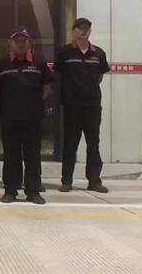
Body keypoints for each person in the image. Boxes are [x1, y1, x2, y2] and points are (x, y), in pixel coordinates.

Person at [0, 27, 54, 205]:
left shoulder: (39, 63)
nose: (20, 44)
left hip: (33, 118)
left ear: (29, 43)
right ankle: (10, 191)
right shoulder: (3, 63)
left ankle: (33, 191)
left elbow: (47, 86)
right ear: (10, 43)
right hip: (10, 118)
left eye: (23, 40)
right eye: (17, 40)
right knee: (10, 155)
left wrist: (35, 102)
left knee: (33, 155)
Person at [54, 17, 111, 193]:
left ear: (90, 31)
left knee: (93, 144)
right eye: (80, 28)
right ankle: (66, 181)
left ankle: (94, 181)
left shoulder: (99, 53)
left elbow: (100, 76)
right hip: (72, 106)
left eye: (87, 28)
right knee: (70, 144)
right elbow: (58, 75)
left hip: (92, 106)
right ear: (74, 31)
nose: (83, 31)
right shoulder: (65, 53)